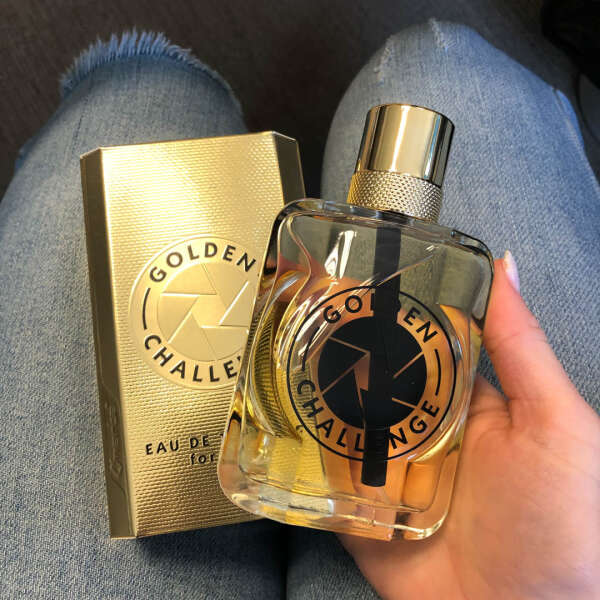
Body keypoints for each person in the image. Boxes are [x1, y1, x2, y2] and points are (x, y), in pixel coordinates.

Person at [1, 20, 598, 600]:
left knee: (139, 88)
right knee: (439, 54)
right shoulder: (315, 225)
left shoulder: (439, 255)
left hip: (396, 518)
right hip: (418, 538)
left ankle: (141, 81)